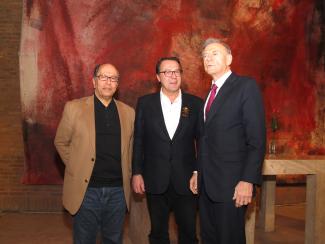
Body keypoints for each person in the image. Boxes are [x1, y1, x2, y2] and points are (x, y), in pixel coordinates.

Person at [189, 38, 266, 244]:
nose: (208, 58)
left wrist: (248, 180)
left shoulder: (245, 86)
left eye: (214, 53)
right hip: (207, 185)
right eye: (205, 56)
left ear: (229, 58)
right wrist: (198, 171)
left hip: (231, 185)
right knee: (209, 238)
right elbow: (204, 139)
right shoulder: (209, 94)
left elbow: (256, 139)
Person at [54, 63, 135, 244]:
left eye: (113, 78)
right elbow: (61, 142)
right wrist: (77, 165)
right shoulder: (74, 108)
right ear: (94, 81)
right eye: (103, 77)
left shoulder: (129, 113)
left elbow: (131, 149)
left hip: (118, 192)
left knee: (114, 239)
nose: (108, 82)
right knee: (84, 239)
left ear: (117, 84)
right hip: (86, 191)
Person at [132, 57, 202, 244]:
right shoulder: (145, 103)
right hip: (155, 179)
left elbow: (202, 141)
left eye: (177, 71)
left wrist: (198, 171)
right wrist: (137, 172)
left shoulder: (195, 104)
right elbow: (138, 140)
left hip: (187, 181)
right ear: (158, 77)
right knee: (158, 233)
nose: (173, 76)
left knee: (188, 233)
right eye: (167, 72)